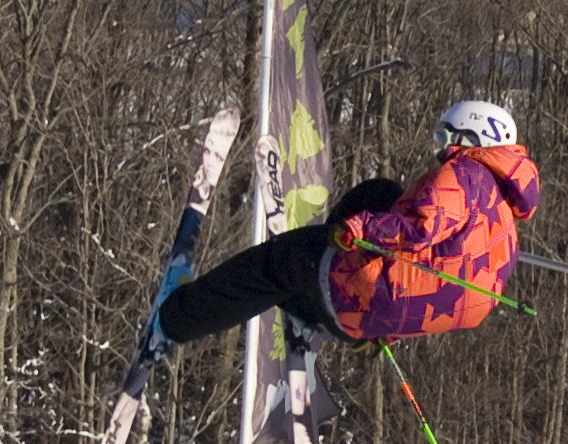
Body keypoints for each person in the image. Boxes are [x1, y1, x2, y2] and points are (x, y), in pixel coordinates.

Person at [154, 99, 542, 353]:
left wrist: (360, 229)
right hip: (401, 313)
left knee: (278, 261)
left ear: (473, 137)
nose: (439, 146)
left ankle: (174, 318)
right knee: (381, 191)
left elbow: (420, 227)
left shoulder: (465, 174)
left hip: (370, 297)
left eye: (444, 136)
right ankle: (316, 309)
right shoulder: (504, 209)